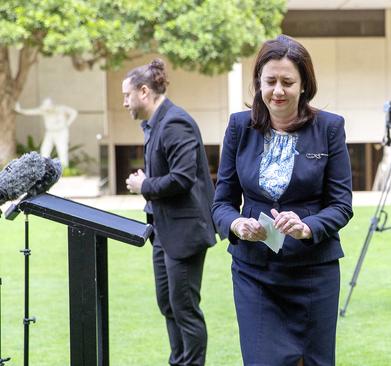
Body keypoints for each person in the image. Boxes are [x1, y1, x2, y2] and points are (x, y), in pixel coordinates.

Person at [211, 34, 353, 366]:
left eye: (287, 82)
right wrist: (236, 223)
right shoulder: (239, 127)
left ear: (304, 84)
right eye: (270, 81)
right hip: (254, 273)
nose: (278, 90)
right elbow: (221, 203)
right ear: (258, 82)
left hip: (313, 273)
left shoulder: (330, 128)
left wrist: (307, 227)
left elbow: (341, 204)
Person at [123, 59, 216, 366]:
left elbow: (182, 178)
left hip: (185, 233)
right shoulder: (155, 124)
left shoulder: (175, 123)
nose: (125, 103)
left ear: (144, 91)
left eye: (127, 96)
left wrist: (144, 185)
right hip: (163, 231)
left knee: (185, 308)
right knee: (168, 304)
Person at [15, 98, 78, 167]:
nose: (46, 110)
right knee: (45, 149)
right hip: (50, 132)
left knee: (62, 150)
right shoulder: (43, 110)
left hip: (61, 132)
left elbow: (74, 112)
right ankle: (43, 167)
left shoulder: (61, 109)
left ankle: (64, 168)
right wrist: (20, 110)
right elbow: (31, 112)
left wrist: (67, 123)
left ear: (51, 105)